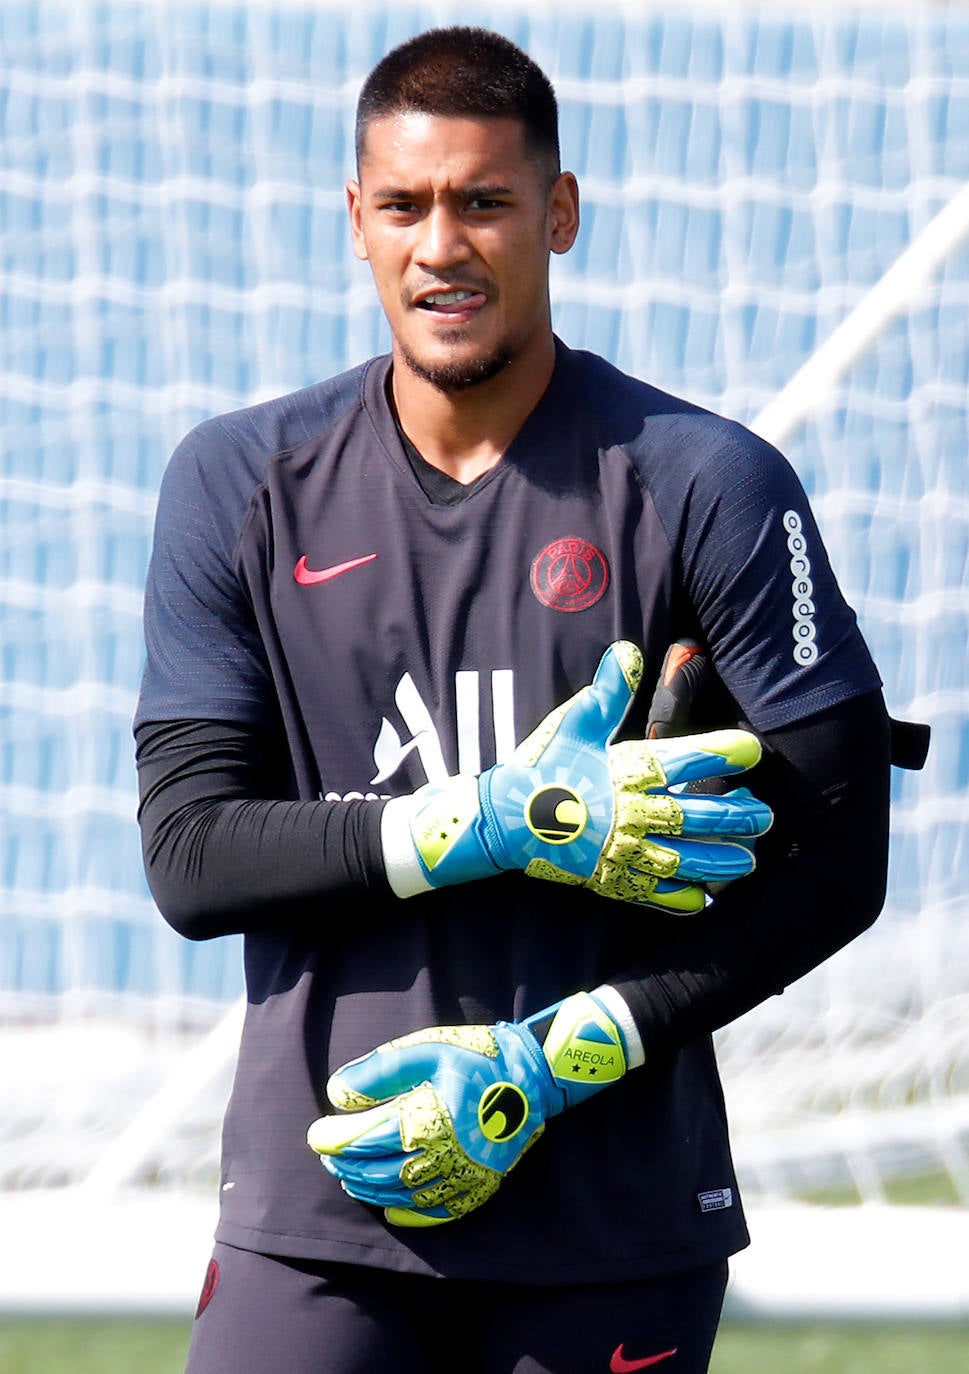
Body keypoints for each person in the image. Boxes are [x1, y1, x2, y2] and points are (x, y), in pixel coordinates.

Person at [134, 26, 895, 1374]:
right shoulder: (238, 481)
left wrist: (564, 1053)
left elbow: (839, 857)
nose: (443, 245)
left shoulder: (708, 481)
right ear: (354, 223)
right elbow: (191, 857)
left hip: (614, 1215)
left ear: (558, 214)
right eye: (406, 205)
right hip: (325, 1209)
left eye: (483, 202)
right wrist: (481, 819)